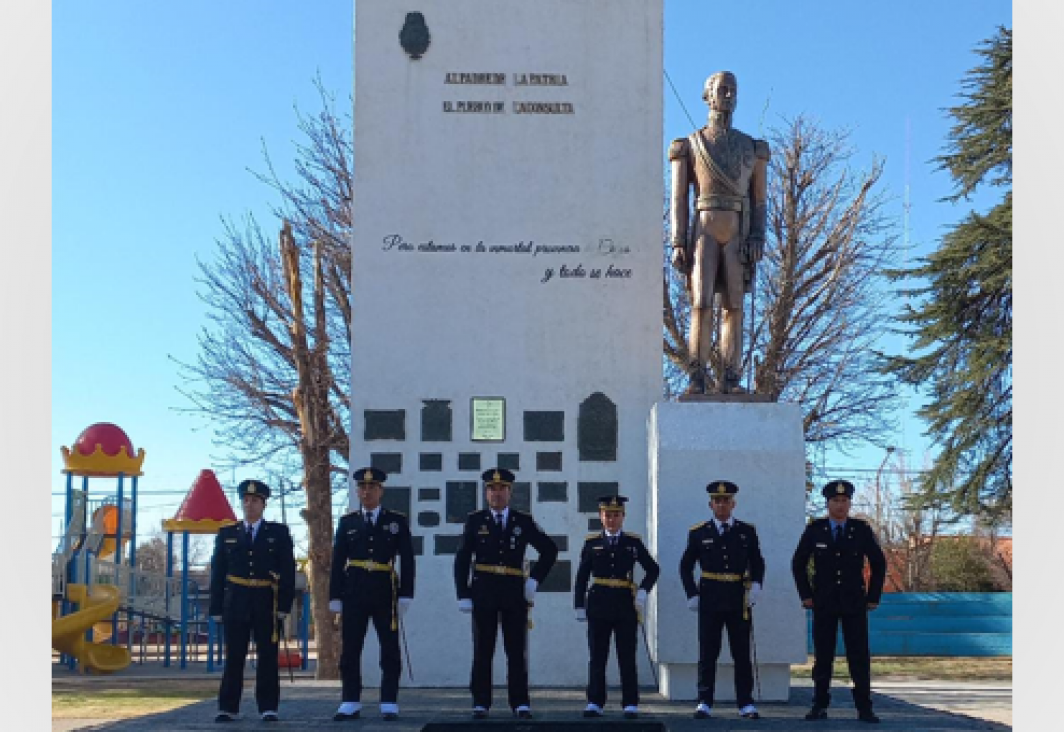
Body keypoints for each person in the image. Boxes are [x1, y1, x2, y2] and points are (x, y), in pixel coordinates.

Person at [668, 71, 770, 394]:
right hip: (703, 230)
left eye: (732, 91)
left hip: (737, 230)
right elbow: (679, 198)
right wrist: (677, 240)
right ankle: (696, 376)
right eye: (721, 90)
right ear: (708, 96)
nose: (728, 96)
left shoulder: (752, 148)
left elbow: (760, 199)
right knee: (701, 303)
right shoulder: (689, 145)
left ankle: (731, 377)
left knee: (734, 305)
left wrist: (757, 236)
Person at [454, 468, 558, 719]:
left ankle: (520, 702)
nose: (496, 494)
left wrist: (534, 580)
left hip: (513, 591)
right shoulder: (475, 520)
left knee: (516, 649)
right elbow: (462, 557)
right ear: (486, 492)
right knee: (483, 648)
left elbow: (549, 550)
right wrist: (463, 593)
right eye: (492, 489)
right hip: (484, 589)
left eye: (502, 489)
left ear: (510, 492)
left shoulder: (522, 521)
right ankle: (481, 702)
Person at [791, 480, 887, 724]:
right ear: (828, 503)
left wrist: (873, 596)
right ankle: (819, 705)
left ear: (849, 503)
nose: (840, 505)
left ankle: (864, 707)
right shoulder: (816, 529)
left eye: (844, 501)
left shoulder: (861, 529)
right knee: (823, 656)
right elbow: (798, 563)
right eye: (836, 501)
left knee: (859, 655)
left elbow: (878, 562)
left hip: (854, 601)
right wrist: (806, 595)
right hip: (824, 602)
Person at [329, 467, 415, 722]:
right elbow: (337, 561)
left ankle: (389, 701)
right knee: (351, 649)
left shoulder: (396, 521)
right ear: (357, 491)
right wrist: (335, 595)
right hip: (354, 590)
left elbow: (408, 560)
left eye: (372, 487)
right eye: (363, 487)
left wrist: (405, 594)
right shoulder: (348, 522)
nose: (367, 492)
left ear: (381, 491)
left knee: (389, 648)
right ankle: (350, 700)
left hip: (384, 590)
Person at [209, 479, 296, 723]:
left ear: (263, 504)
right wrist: (216, 607)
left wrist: (284, 606)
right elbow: (218, 573)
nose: (250, 505)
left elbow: (287, 571)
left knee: (268, 656)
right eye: (246, 500)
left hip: (266, 600)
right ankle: (228, 707)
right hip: (236, 600)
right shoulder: (227, 533)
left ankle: (268, 707)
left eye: (255, 501)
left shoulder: (277, 533)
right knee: (234, 656)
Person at [679, 480, 765, 720]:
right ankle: (705, 701)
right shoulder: (698, 533)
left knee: (741, 653)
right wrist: (692, 594)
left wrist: (757, 584)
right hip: (710, 598)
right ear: (710, 504)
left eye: (726, 500)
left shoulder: (746, 531)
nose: (722, 504)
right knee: (708, 652)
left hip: (738, 597)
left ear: (733, 503)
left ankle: (745, 702)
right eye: (717, 501)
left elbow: (757, 561)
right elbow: (685, 566)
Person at [573, 495, 660, 720]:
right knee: (598, 655)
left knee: (627, 655)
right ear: (601, 517)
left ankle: (630, 702)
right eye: (607, 515)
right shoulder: (592, 543)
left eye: (616, 515)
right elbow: (582, 577)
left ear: (623, 517)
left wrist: (642, 592)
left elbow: (653, 569)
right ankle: (594, 701)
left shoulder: (632, 543)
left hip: (624, 603)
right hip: (599, 602)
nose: (612, 520)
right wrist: (578, 605)